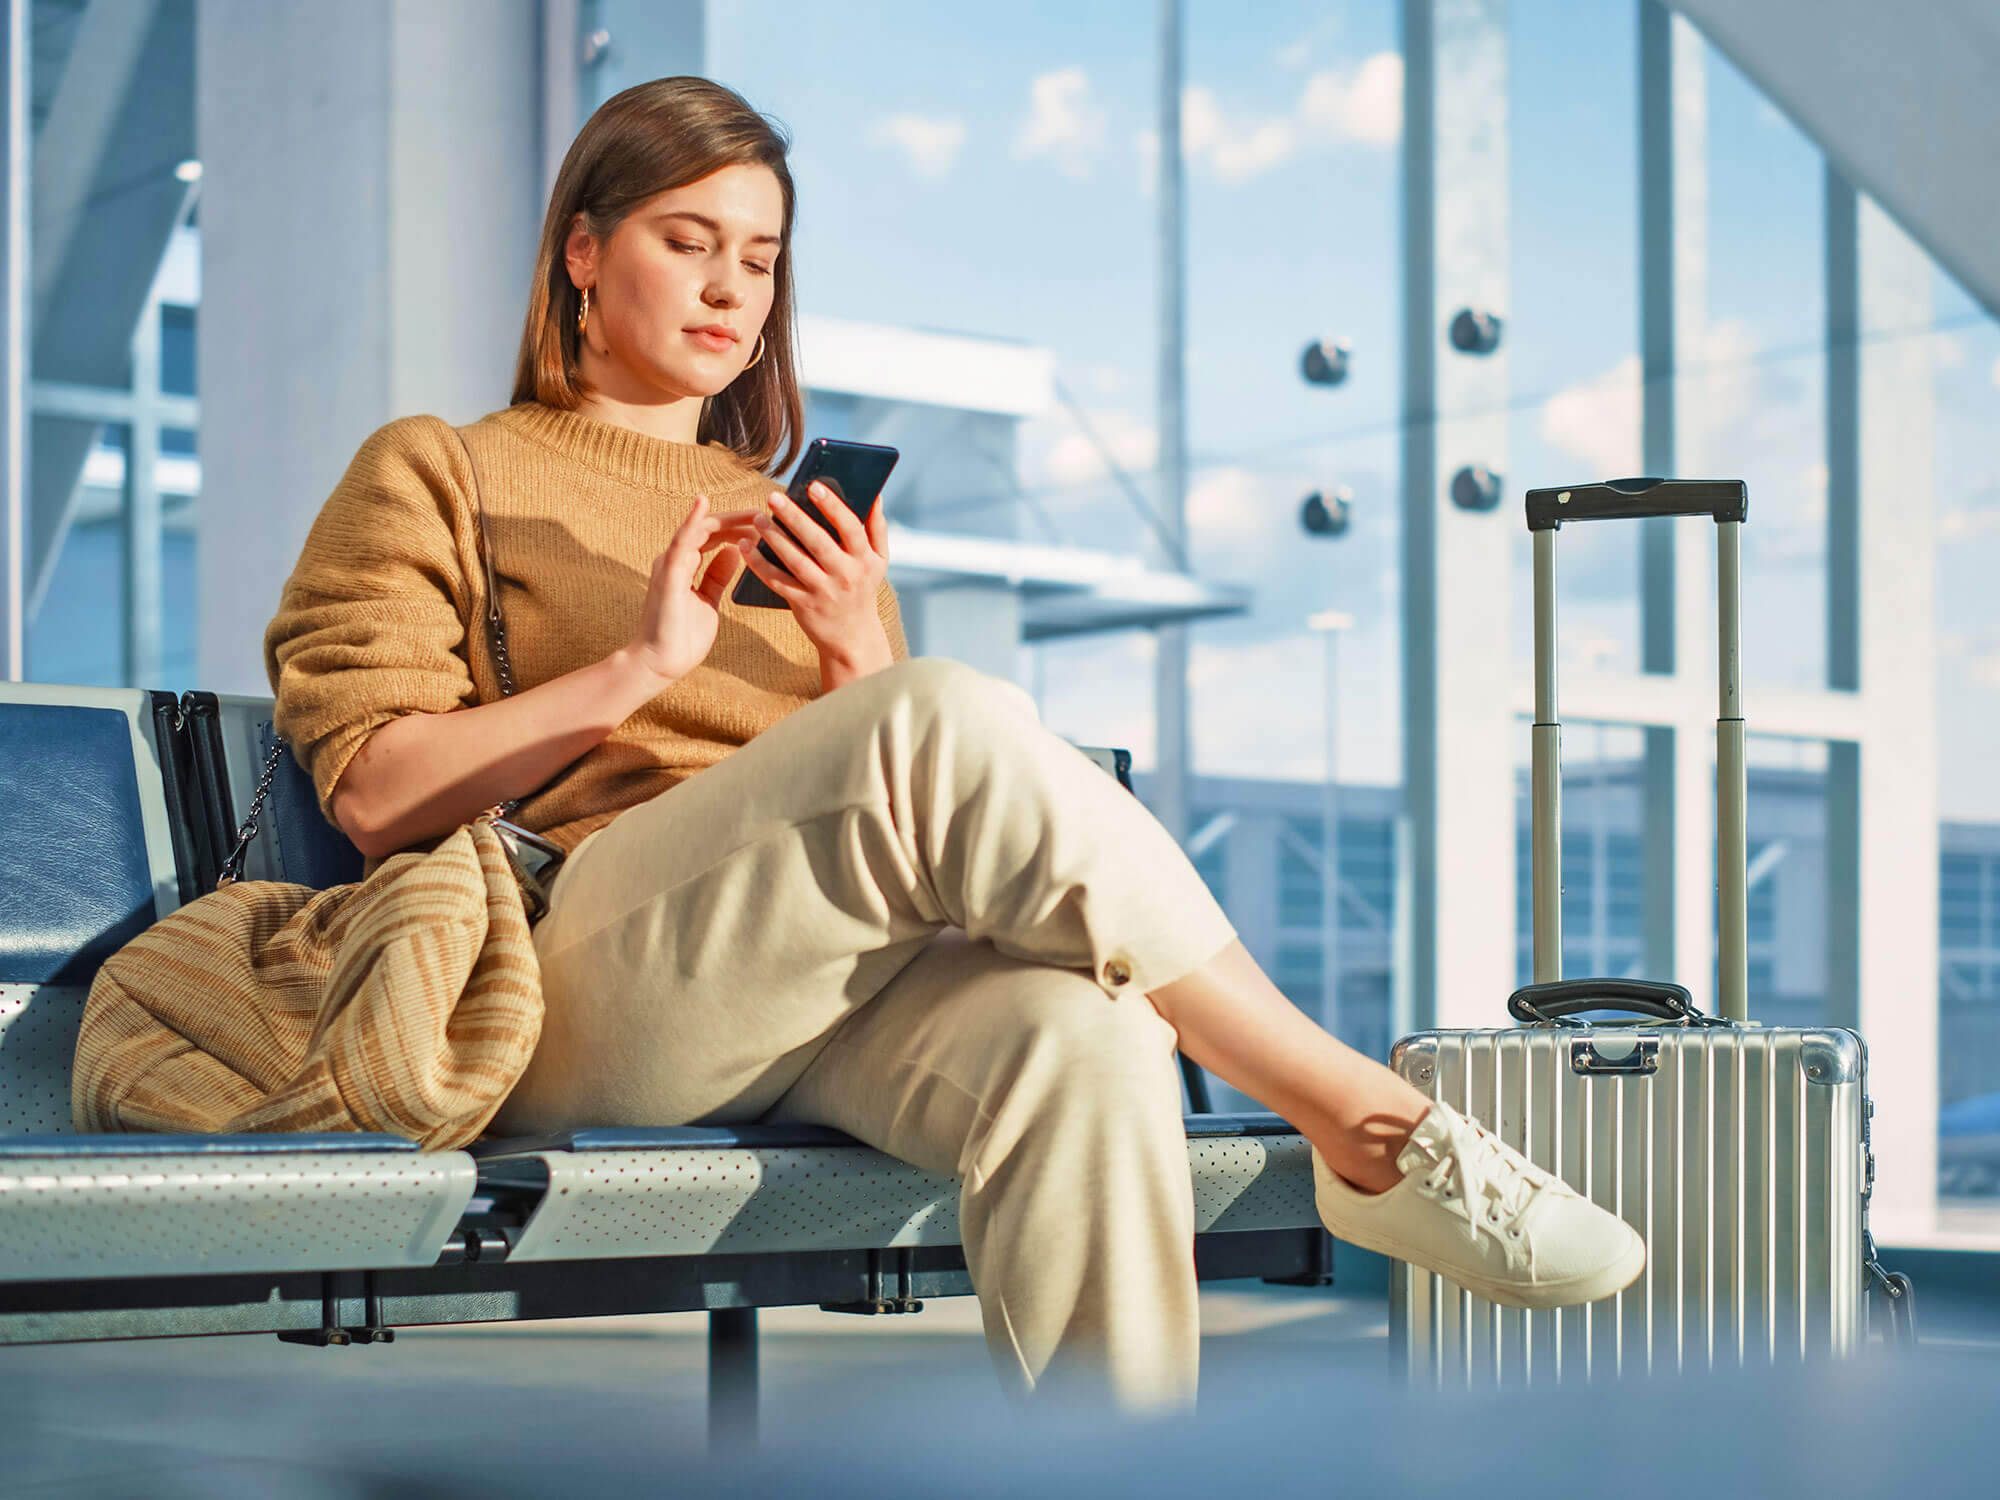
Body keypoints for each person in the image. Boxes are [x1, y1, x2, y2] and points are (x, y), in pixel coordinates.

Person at [263, 76, 1644, 1418]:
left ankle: (1120, 1469)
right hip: (572, 980)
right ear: (582, 252)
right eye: (687, 242)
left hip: (811, 994)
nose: (731, 288)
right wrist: (642, 667)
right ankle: (1367, 1122)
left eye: (760, 259)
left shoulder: (784, 516)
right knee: (941, 713)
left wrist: (851, 645)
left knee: (1090, 1040)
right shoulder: (441, 468)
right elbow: (376, 794)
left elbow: (883, 798)